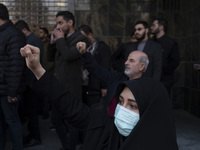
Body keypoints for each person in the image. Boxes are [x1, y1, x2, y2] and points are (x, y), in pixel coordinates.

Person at [20, 44, 179, 150]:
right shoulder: (106, 127)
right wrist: (38, 69)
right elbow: (69, 105)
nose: (122, 110)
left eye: (132, 106)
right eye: (120, 102)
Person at [47, 11, 89, 150]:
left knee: (72, 122)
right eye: (57, 23)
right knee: (55, 119)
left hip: (71, 88)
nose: (57, 26)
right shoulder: (61, 38)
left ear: (70, 23)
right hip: (57, 86)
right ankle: (66, 146)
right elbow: (50, 58)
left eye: (60, 23)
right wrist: (53, 43)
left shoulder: (81, 38)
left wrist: (59, 39)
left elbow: (68, 55)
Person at [0, 3, 26, 150]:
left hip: (8, 90)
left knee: (12, 121)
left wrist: (12, 92)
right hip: (2, 87)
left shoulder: (14, 34)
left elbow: (16, 66)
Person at [15, 20, 43, 147]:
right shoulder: (33, 39)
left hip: (32, 82)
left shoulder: (32, 41)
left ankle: (35, 137)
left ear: (24, 31)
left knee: (32, 111)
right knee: (30, 110)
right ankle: (33, 135)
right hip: (31, 82)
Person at [78, 24, 111, 107]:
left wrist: (104, 86)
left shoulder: (102, 47)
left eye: (83, 37)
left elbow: (105, 67)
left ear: (90, 35)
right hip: (82, 86)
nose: (81, 40)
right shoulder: (82, 48)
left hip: (96, 88)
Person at [151, 18, 180, 97]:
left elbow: (175, 61)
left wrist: (163, 70)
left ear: (161, 27)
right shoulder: (151, 42)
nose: (151, 27)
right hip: (150, 78)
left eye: (154, 25)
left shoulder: (170, 43)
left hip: (165, 80)